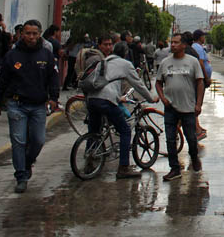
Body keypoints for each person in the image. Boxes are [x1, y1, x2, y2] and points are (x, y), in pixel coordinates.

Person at [0, 19, 60, 193]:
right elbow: (3, 80)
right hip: (17, 105)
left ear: (39, 34)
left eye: (34, 34)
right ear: (22, 34)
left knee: (38, 140)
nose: (31, 37)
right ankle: (21, 175)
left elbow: (53, 78)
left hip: (38, 105)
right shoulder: (12, 56)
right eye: (28, 33)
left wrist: (53, 98)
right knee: (19, 141)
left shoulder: (46, 55)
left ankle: (27, 162)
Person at [87, 39, 158, 179]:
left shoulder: (104, 61)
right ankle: (123, 168)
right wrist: (151, 98)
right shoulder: (125, 64)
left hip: (92, 99)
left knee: (94, 131)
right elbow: (138, 84)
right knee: (125, 130)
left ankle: (90, 158)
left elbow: (105, 82)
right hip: (106, 100)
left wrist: (118, 97)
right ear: (126, 53)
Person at [156, 32, 205, 180]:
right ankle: (174, 168)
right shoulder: (165, 62)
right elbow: (158, 82)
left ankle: (194, 157)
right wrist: (163, 98)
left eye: (176, 42)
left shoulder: (192, 62)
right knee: (170, 139)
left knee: (191, 137)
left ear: (184, 45)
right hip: (170, 108)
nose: (173, 45)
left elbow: (200, 82)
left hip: (188, 108)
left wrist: (198, 104)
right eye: (172, 42)